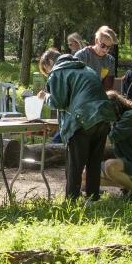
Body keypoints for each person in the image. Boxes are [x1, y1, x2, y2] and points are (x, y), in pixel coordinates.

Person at [37, 48, 116, 202]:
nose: (48, 75)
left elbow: (58, 101)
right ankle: (92, 199)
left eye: (46, 71)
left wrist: (45, 96)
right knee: (94, 162)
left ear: (50, 62)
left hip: (82, 121)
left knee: (75, 164)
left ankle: (71, 201)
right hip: (103, 118)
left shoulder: (58, 71)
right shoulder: (86, 68)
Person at [74, 25, 117, 91]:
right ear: (96, 41)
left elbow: (108, 87)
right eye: (103, 45)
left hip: (98, 96)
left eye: (109, 47)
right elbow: (74, 82)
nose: (106, 50)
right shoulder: (81, 56)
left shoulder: (110, 60)